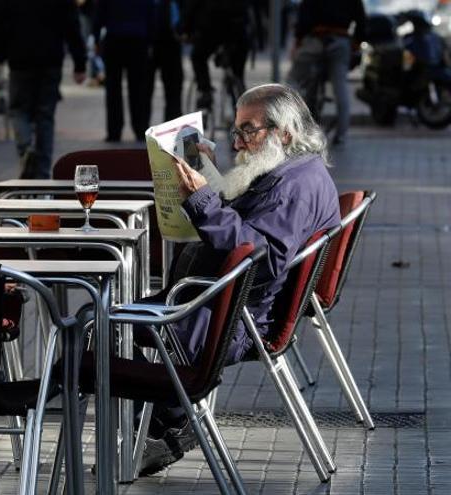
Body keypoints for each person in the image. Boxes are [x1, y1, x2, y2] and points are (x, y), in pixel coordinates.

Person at [137, 84, 341, 474]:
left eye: (249, 130)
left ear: (285, 132)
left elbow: (260, 260)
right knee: (118, 316)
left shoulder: (292, 188)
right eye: (236, 131)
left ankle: (162, 426)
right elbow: (255, 230)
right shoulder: (292, 171)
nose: (239, 143)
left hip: (234, 317)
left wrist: (203, 202)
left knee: (104, 324)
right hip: (224, 303)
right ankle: (161, 423)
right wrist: (210, 181)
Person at [0, 0, 87, 179]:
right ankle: (42, 171)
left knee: (18, 110)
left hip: (19, 58)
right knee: (45, 115)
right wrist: (79, 62)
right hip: (50, 58)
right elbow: (72, 24)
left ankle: (26, 148)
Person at [286, 0, 366, 146]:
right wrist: (355, 44)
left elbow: (303, 18)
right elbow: (361, 20)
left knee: (293, 80)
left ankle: (286, 124)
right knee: (340, 86)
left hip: (315, 39)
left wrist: (298, 43)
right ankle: (341, 134)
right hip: (340, 41)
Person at [92, 0, 153, 142]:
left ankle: (114, 130)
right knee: (138, 88)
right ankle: (140, 128)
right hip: (138, 39)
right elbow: (150, 12)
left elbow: (100, 12)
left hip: (114, 38)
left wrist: (96, 37)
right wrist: (150, 39)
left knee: (113, 89)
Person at [181, 0, 257, 110]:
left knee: (197, 57)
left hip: (211, 29)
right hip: (237, 30)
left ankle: (205, 91)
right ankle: (238, 95)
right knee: (237, 72)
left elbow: (192, 7)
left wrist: (185, 30)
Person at [145, 0, 184, 124]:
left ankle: (142, 126)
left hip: (159, 39)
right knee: (171, 87)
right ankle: (142, 125)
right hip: (162, 38)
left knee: (171, 87)